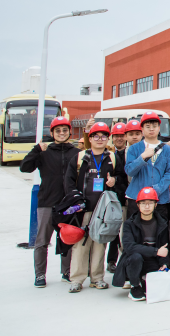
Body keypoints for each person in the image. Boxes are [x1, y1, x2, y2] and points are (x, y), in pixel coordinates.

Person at [64, 121, 121, 292]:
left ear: (107, 139)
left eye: (104, 136)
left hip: (102, 210)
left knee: (99, 244)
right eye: (96, 136)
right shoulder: (80, 157)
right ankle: (77, 279)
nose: (100, 139)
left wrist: (114, 181)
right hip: (84, 209)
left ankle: (97, 278)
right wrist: (76, 201)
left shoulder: (112, 158)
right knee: (81, 244)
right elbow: (68, 181)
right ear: (90, 138)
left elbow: (121, 178)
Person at [21, 115, 77, 287]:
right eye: (57, 130)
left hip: (67, 204)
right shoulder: (44, 152)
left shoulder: (76, 152)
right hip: (47, 202)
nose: (61, 133)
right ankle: (40, 275)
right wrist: (36, 149)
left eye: (64, 130)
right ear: (52, 133)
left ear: (69, 132)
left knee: (67, 239)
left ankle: (67, 272)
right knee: (42, 241)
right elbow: (24, 167)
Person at [113, 187, 170, 302]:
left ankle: (142, 281)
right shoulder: (129, 224)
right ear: (138, 205)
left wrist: (164, 263)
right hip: (133, 261)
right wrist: (155, 251)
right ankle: (134, 286)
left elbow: (164, 246)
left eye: (150, 203)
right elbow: (129, 247)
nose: (147, 206)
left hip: (152, 260)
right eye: (143, 203)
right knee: (136, 257)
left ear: (155, 205)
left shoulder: (162, 223)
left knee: (155, 289)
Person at [124, 111, 170, 220]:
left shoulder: (167, 149)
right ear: (142, 129)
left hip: (159, 199)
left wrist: (157, 189)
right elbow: (129, 171)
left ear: (159, 128)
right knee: (135, 228)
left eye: (154, 126)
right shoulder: (134, 148)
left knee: (160, 227)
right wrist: (142, 157)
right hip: (136, 197)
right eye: (147, 126)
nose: (151, 129)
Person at [106, 122, 130, 274]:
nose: (119, 139)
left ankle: (123, 260)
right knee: (113, 231)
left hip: (126, 199)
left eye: (122, 136)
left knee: (124, 232)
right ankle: (111, 260)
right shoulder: (108, 155)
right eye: (116, 136)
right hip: (112, 199)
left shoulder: (130, 153)